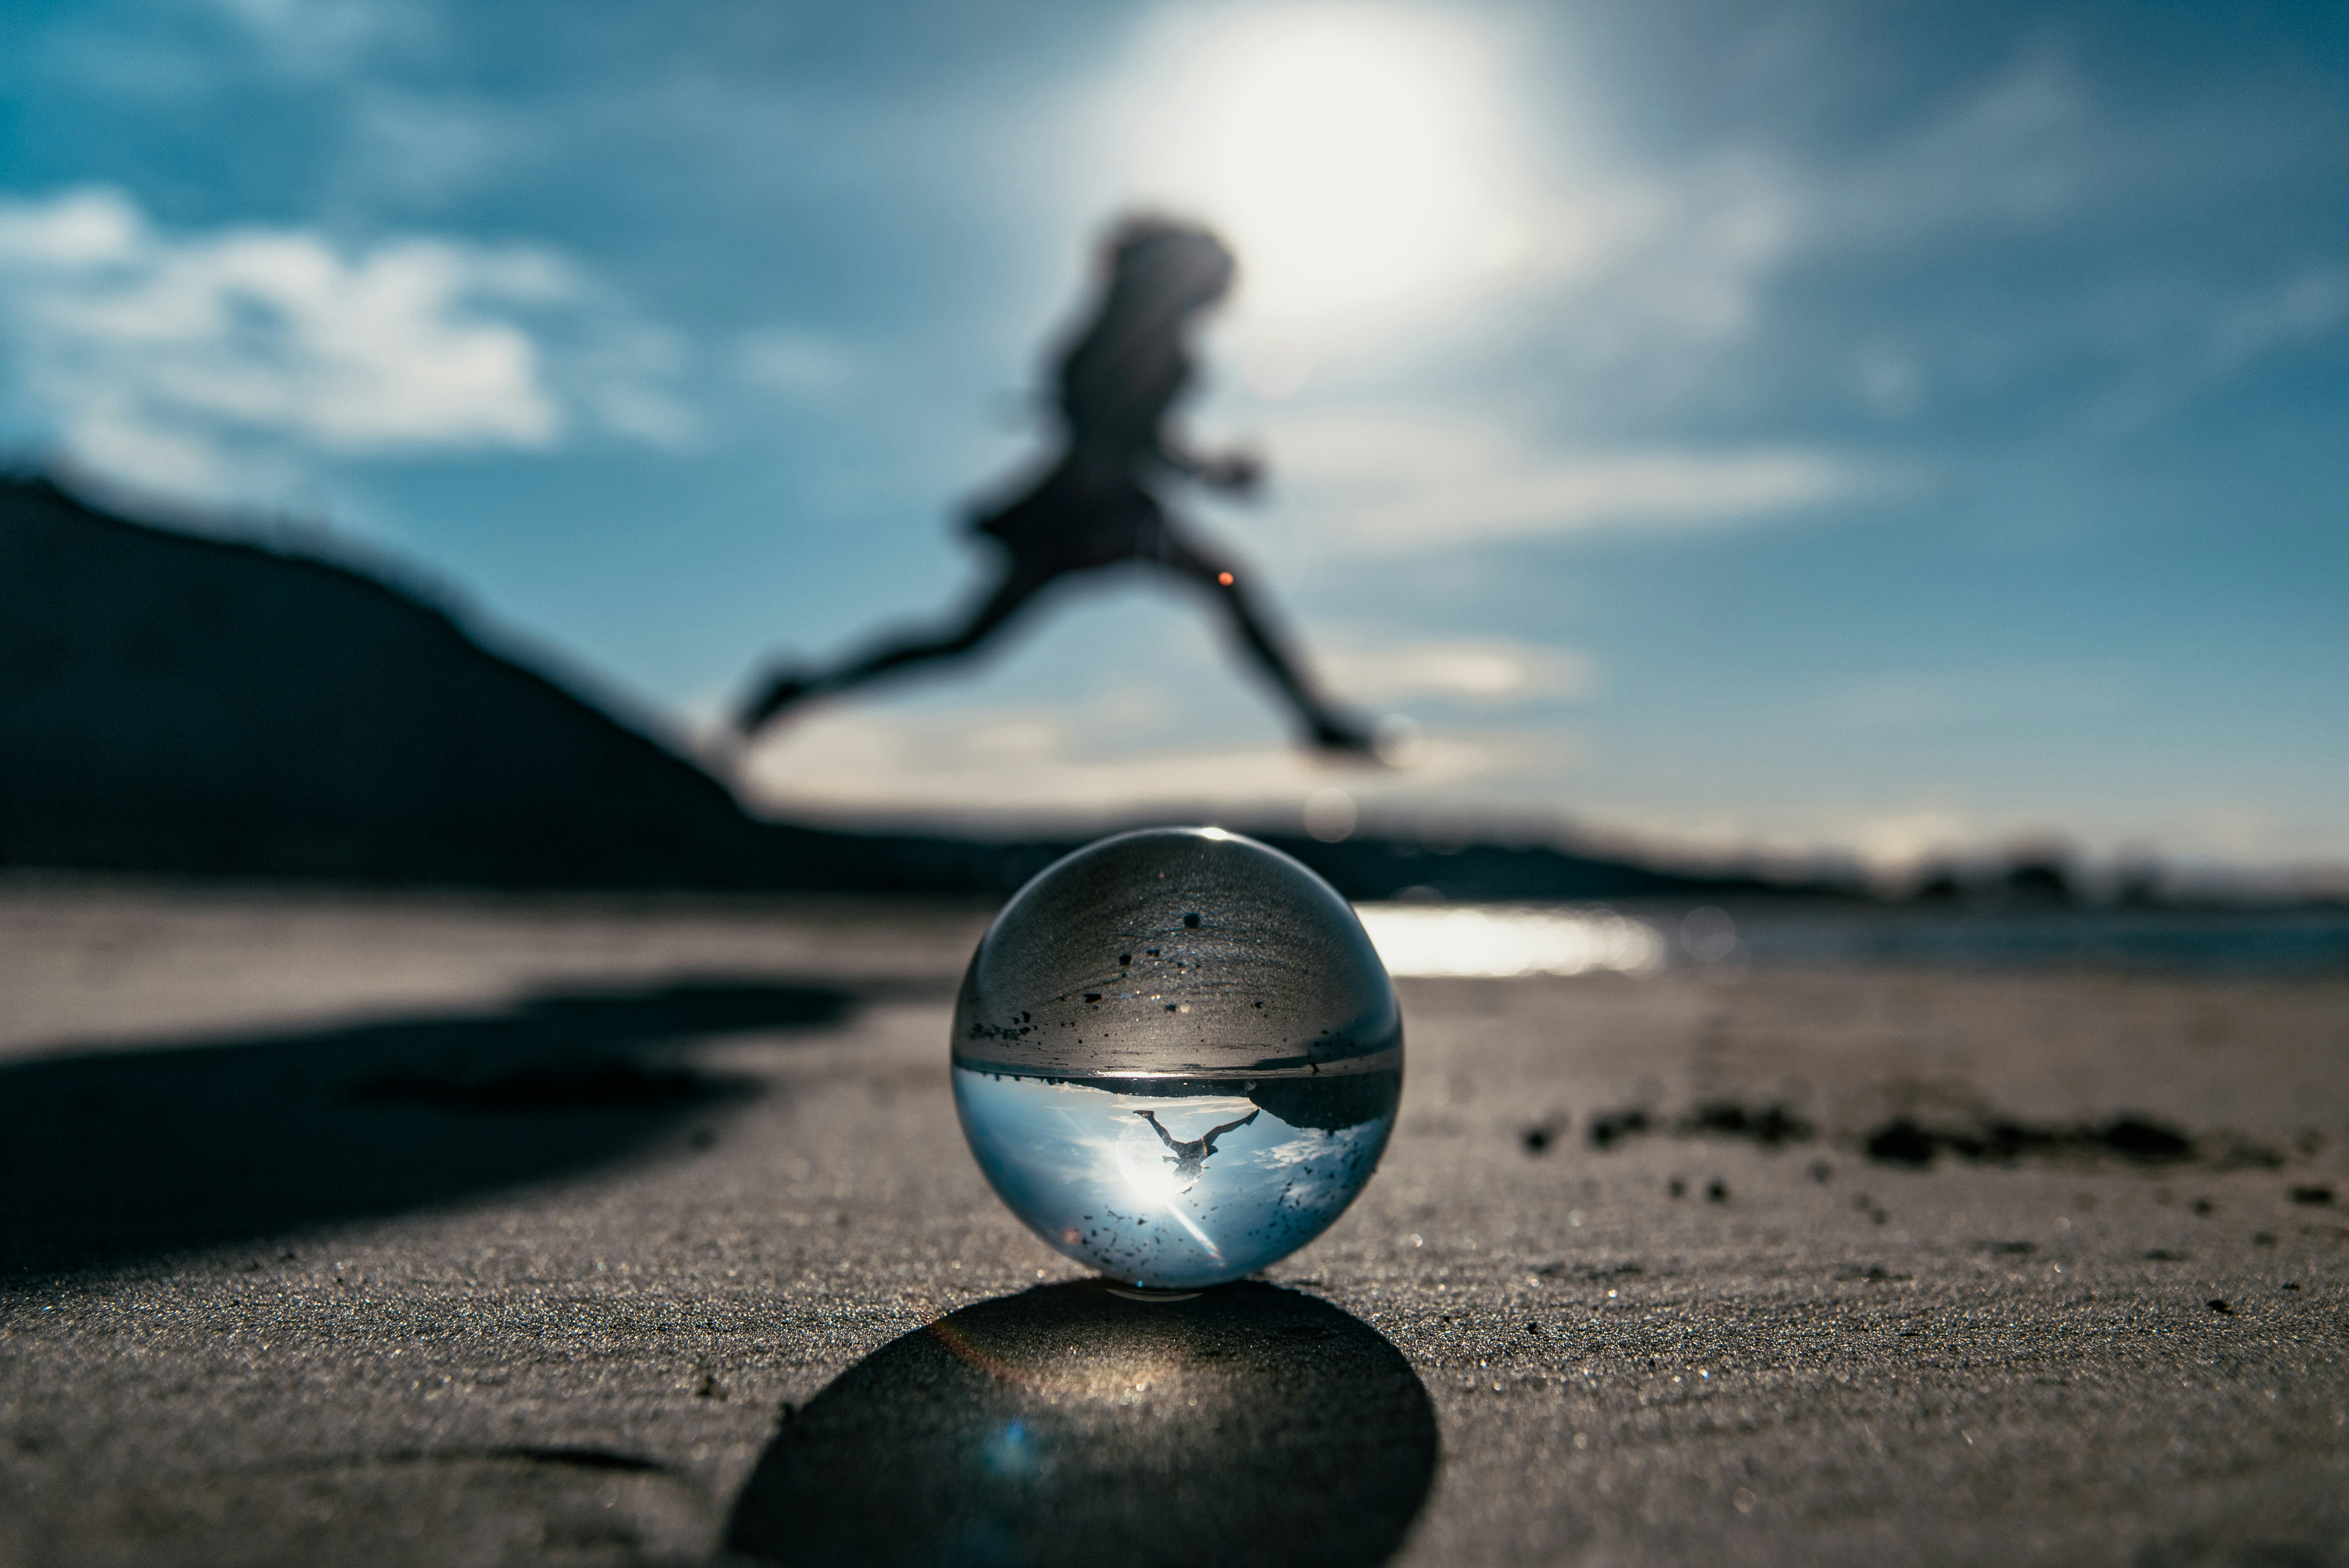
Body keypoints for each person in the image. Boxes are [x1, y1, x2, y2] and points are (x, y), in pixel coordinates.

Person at [734, 216, 1377, 754]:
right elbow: (1116, 431)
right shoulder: (1123, 339)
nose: (1215, 295)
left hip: (1101, 511)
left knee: (967, 643)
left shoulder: (1133, 337)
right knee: (1223, 588)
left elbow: (1134, 432)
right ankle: (1315, 720)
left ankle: (803, 687)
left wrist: (1203, 471)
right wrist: (1207, 473)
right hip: (1087, 515)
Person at [1134, 1107, 1259, 1183]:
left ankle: (1151, 1117)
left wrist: (1171, 1159)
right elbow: (1189, 1164)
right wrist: (1172, 1159)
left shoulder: (1186, 1169)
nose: (1176, 1172)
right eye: (1177, 1173)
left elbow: (1181, 1164)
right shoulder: (1192, 1170)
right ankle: (1150, 1117)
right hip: (1195, 1151)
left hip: (1188, 1152)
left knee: (1168, 1142)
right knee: (1218, 1130)